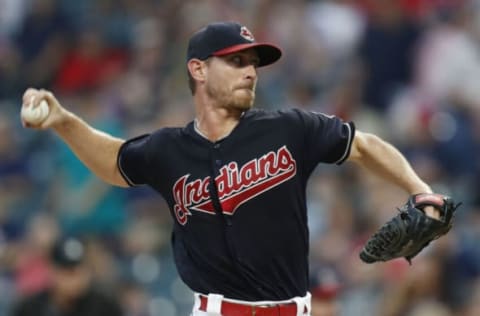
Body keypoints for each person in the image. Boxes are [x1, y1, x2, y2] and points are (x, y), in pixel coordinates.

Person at [21, 21, 441, 316]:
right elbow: (114, 162)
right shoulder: (169, 149)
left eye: (253, 63)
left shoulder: (289, 129)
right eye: (236, 62)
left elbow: (364, 146)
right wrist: (64, 121)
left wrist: (421, 189)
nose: (251, 72)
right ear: (198, 69)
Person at [11, 237, 123, 316]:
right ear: (52, 271)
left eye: (80, 270)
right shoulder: (31, 308)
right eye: (68, 272)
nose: (75, 279)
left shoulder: (105, 306)